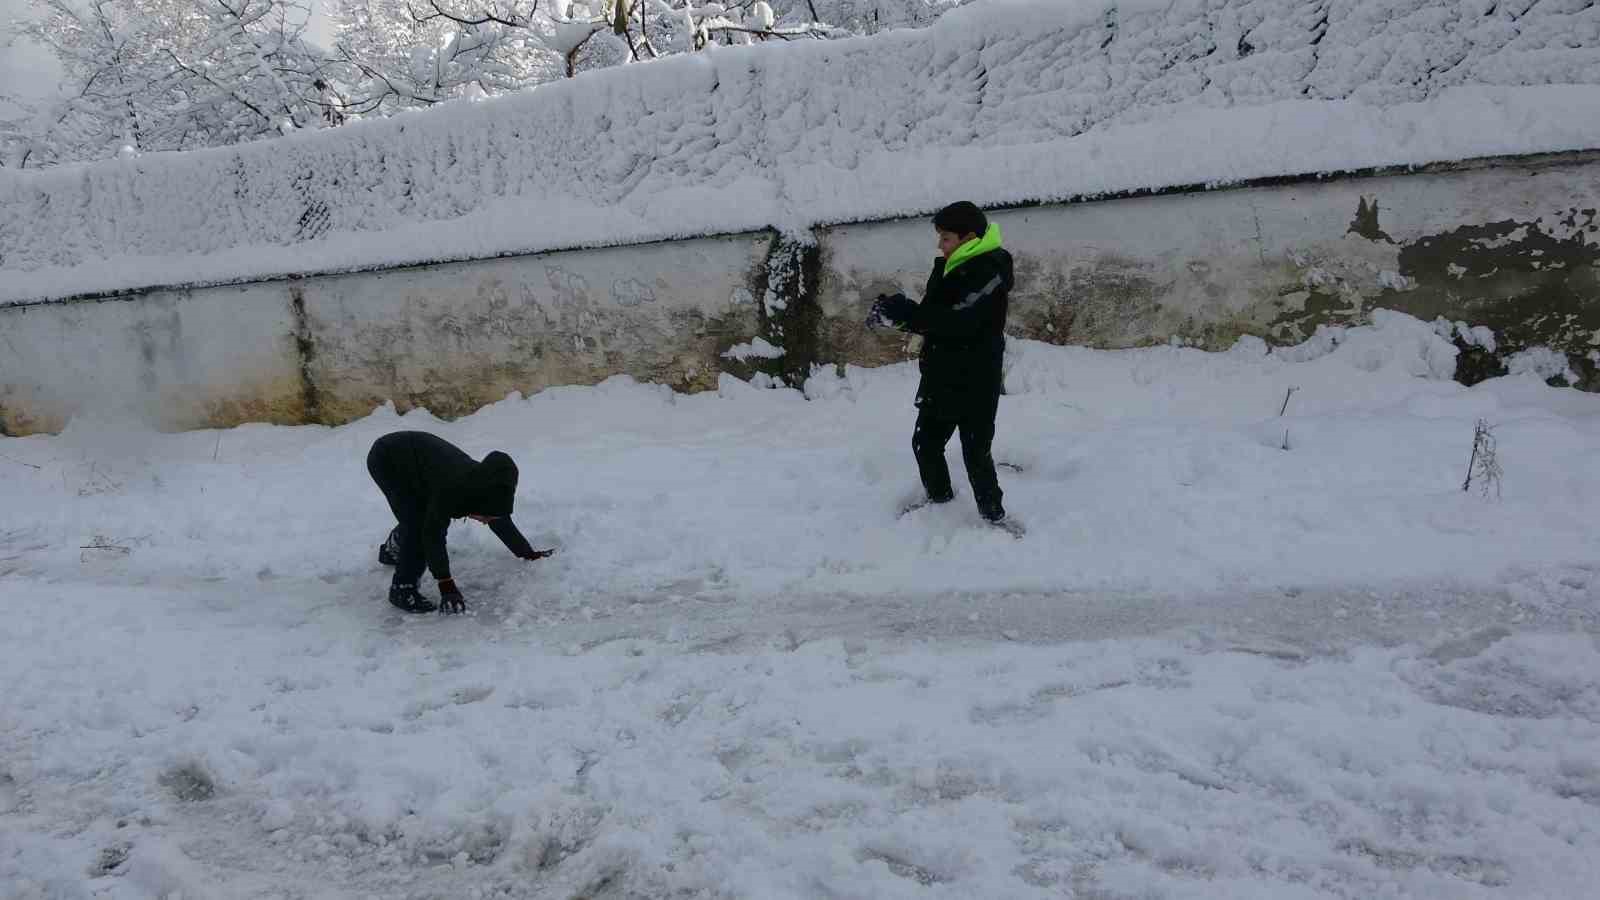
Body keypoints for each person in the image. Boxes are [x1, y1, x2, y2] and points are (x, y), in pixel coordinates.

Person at [870, 201, 1013, 527]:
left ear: (969, 238)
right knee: (925, 443)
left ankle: (993, 516)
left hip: (976, 378)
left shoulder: (990, 272)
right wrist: (902, 315)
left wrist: (907, 314)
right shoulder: (949, 264)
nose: (940, 245)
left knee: (975, 451)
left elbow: (952, 318)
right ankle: (939, 499)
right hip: (942, 373)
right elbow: (932, 316)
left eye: (946, 238)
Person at [366, 430, 551, 614]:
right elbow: (432, 535)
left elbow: (500, 521)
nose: (485, 522)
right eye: (486, 517)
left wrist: (528, 553)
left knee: (421, 515)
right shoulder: (452, 492)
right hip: (388, 457)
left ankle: (392, 550)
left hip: (420, 461)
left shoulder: (490, 486)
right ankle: (402, 589)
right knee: (417, 525)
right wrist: (446, 584)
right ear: (480, 504)